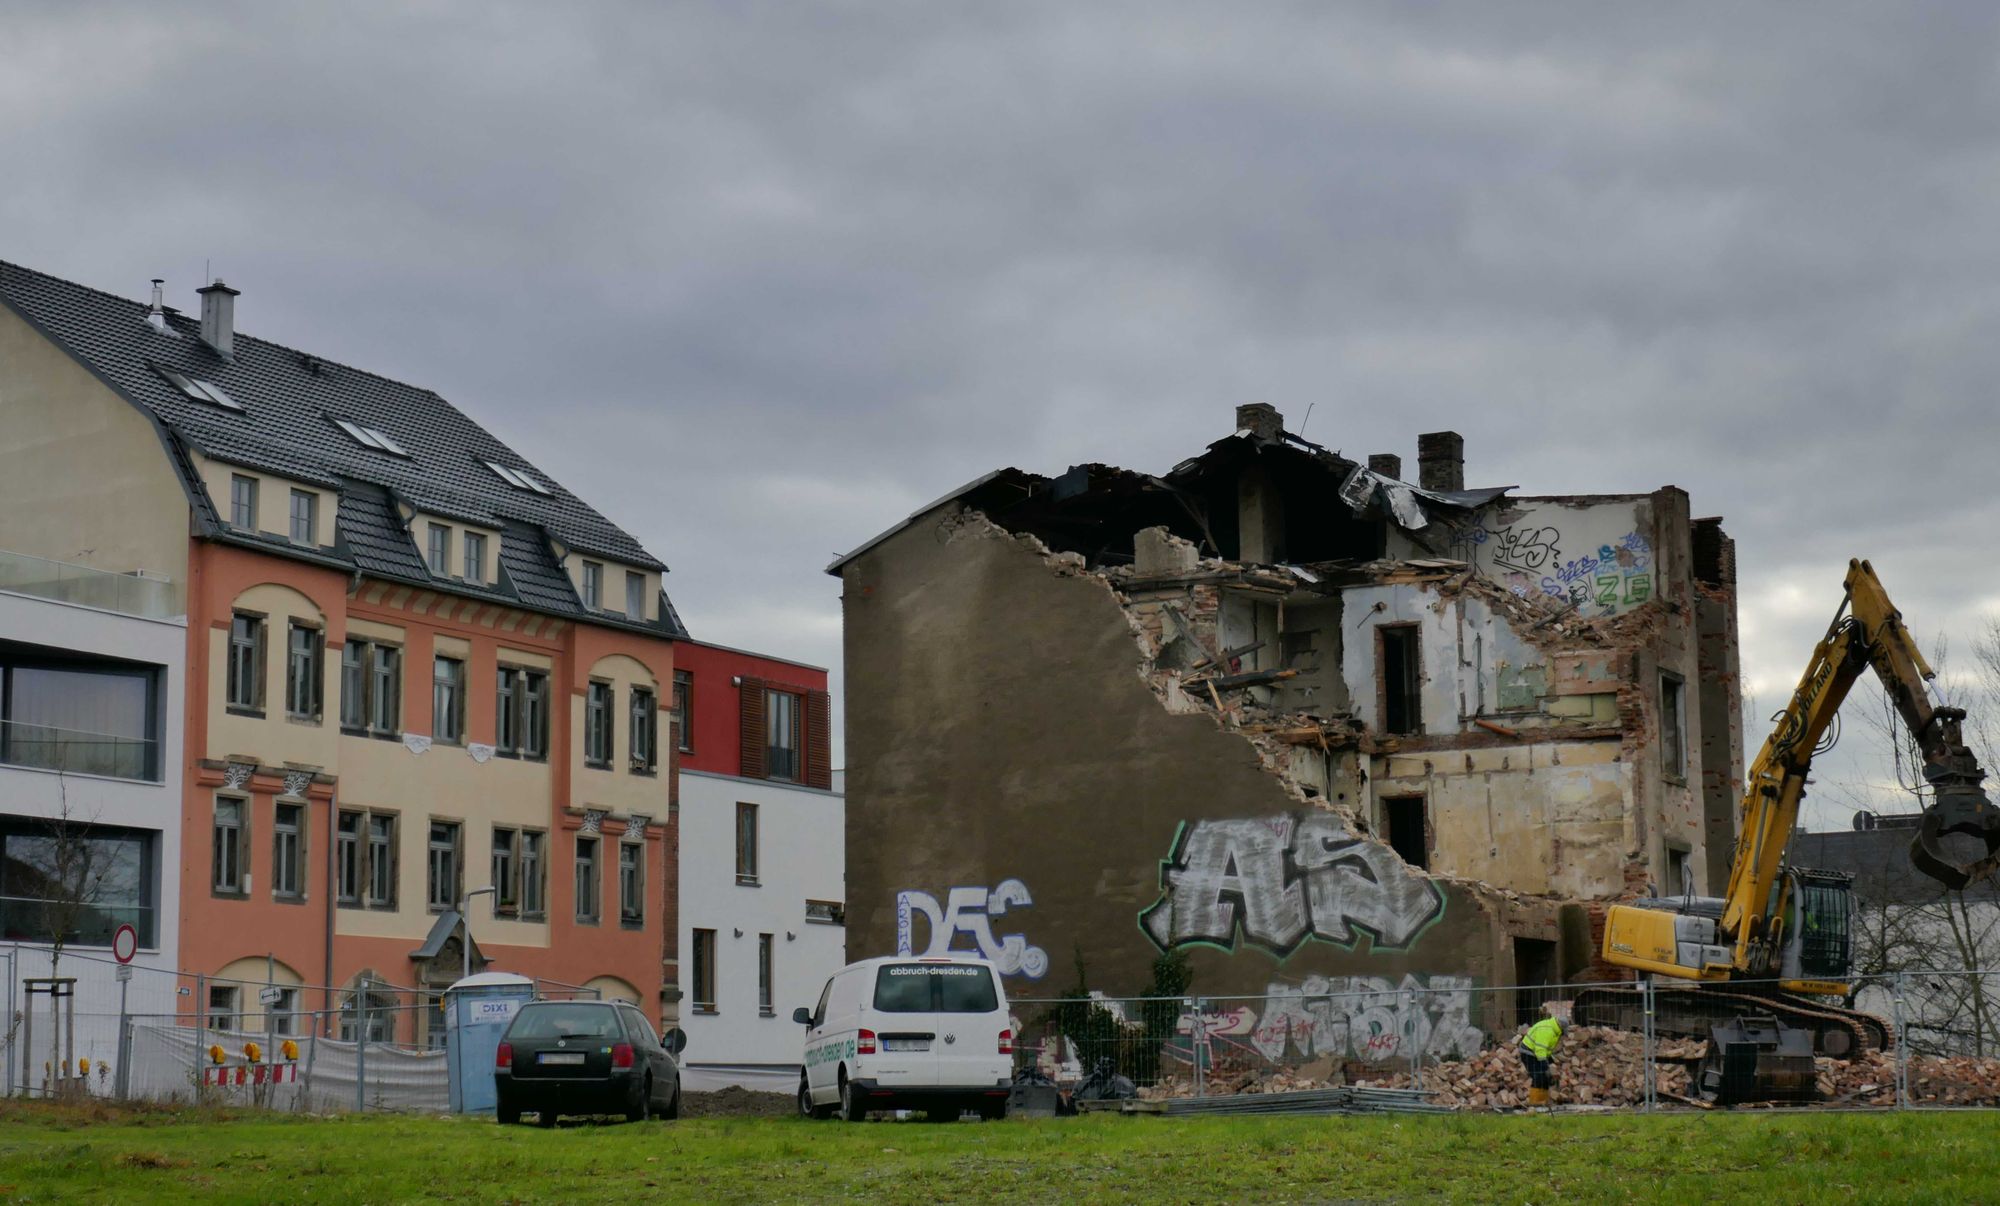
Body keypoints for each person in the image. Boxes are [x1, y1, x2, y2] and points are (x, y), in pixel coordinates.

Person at [1518, 1011, 1564, 1107]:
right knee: (1538, 1076)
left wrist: (1550, 1062)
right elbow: (1540, 1049)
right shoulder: (1547, 1031)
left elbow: (1546, 1049)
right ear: (1560, 1027)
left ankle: (1542, 1101)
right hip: (1528, 1052)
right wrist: (1545, 1066)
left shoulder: (1555, 1031)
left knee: (1544, 1077)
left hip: (1536, 1053)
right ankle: (1534, 1103)